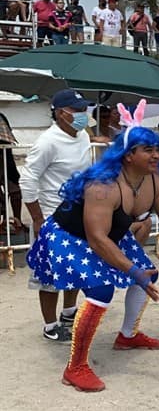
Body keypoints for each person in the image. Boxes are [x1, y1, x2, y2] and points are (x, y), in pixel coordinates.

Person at [26, 100, 159, 392]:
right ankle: (75, 367)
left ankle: (127, 336)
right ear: (129, 155)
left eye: (157, 149)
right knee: (102, 289)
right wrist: (132, 270)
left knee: (149, 273)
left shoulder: (153, 180)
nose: (157, 155)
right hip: (69, 236)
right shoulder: (103, 186)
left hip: (107, 235)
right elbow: (96, 239)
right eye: (149, 150)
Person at [20, 89, 94, 343]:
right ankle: (50, 325)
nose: (83, 114)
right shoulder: (47, 142)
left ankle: (69, 313)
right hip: (53, 218)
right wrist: (38, 219)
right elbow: (28, 180)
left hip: (79, 215)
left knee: (74, 269)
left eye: (84, 109)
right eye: (77, 110)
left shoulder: (83, 136)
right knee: (49, 276)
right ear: (61, 114)